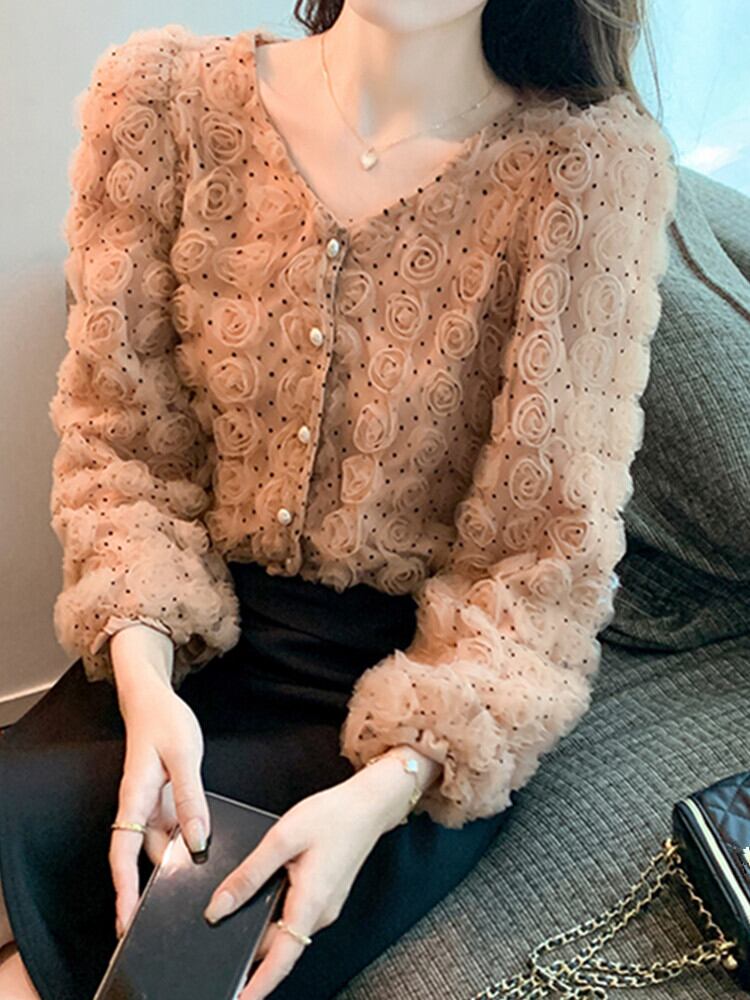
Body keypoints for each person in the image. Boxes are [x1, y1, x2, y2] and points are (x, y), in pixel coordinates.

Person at [0, 0, 678, 997]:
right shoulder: (157, 99)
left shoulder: (588, 171)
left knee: (138, 968)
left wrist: (379, 798)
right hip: (176, 646)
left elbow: (543, 569)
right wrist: (145, 683)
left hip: (407, 706)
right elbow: (121, 448)